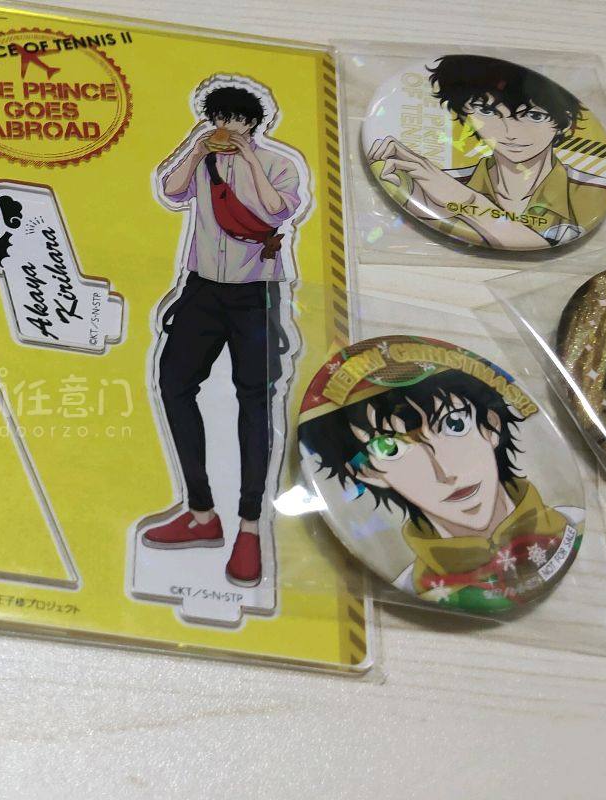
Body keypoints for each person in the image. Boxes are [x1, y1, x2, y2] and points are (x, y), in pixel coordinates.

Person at [141, 75, 308, 588]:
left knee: (255, 402)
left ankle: (250, 528)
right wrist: (195, 150)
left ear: (253, 123)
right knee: (173, 384)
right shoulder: (205, 158)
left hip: (256, 293)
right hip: (202, 289)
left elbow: (275, 210)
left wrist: (250, 159)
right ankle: (201, 512)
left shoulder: (278, 164)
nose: (226, 127)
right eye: (219, 118)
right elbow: (170, 191)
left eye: (235, 119)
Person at [297, 338, 581, 609]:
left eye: (455, 424)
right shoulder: (413, 583)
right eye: (390, 449)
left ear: (491, 426)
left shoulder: (572, 525)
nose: (445, 472)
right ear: (367, 471)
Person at [368, 54, 606, 249]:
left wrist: (463, 200)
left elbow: (541, 242)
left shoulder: (593, 194)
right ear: (465, 115)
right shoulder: (432, 186)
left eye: (534, 116)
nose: (511, 132)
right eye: (488, 112)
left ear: (565, 121)